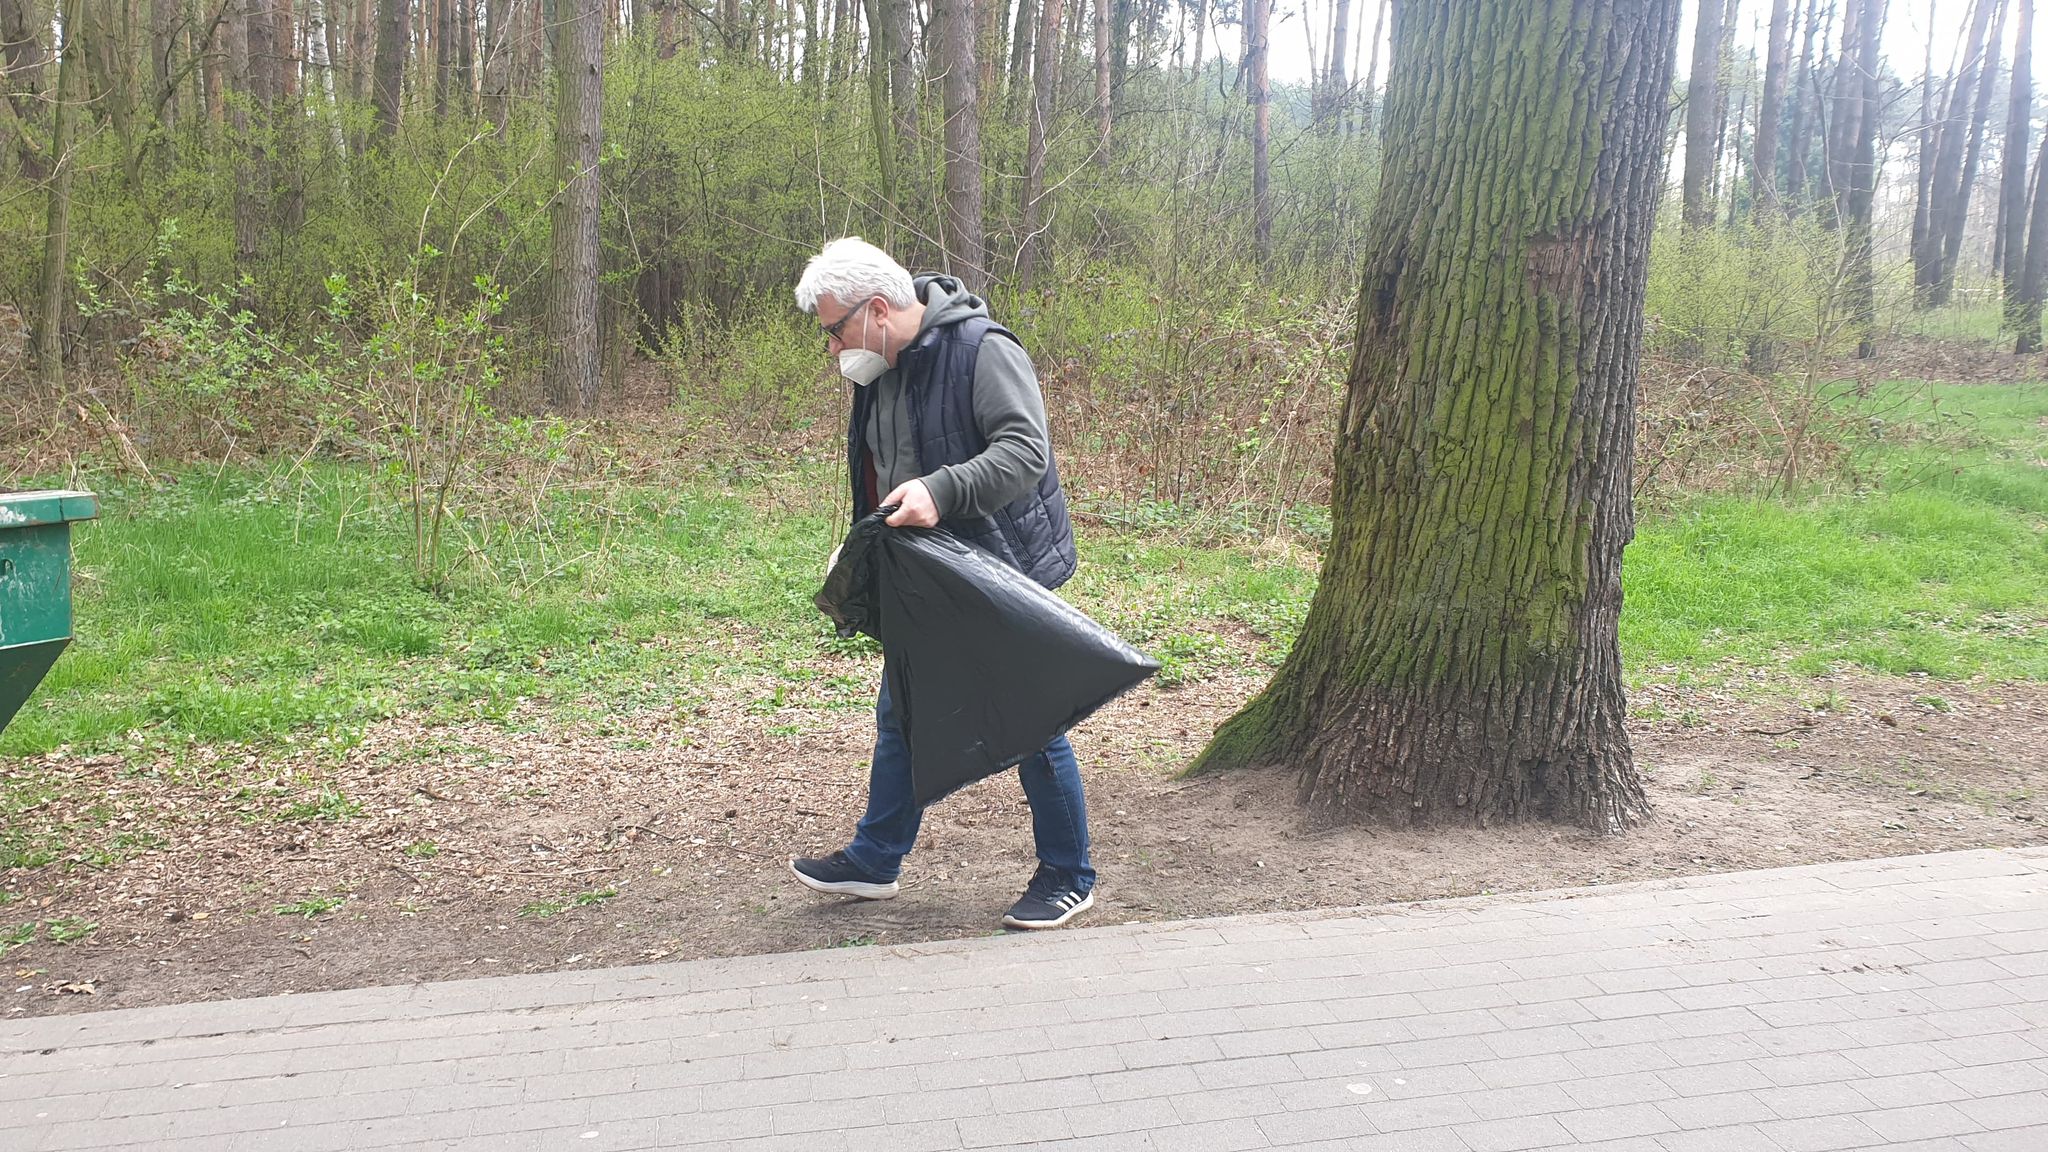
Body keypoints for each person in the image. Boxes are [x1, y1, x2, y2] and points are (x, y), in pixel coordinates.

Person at [788, 237, 1096, 931]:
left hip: (999, 569)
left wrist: (941, 490)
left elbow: (1024, 453)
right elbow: (883, 466)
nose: (832, 348)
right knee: (902, 709)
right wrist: (865, 537)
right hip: (924, 571)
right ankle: (876, 859)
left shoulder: (984, 350)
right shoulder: (878, 368)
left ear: (877, 309)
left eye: (834, 330)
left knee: (1030, 724)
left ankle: (1070, 876)